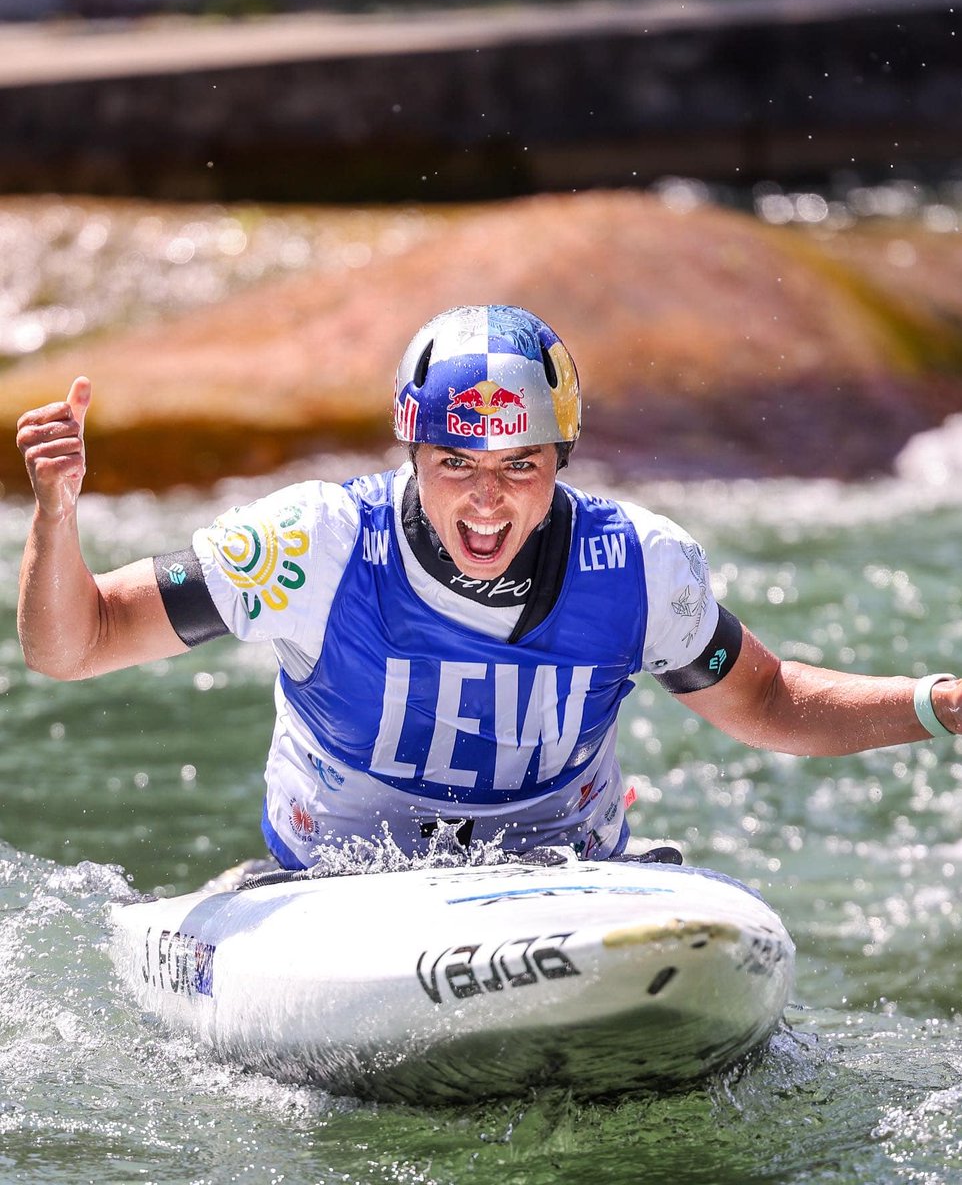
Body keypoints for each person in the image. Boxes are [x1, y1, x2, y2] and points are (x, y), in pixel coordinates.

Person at [15, 303, 962, 871]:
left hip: (565, 882)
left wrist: (939, 704)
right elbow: (76, 643)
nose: (486, 499)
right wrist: (57, 517)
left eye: (521, 465)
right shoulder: (313, 542)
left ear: (562, 461)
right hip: (339, 891)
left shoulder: (638, 564)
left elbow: (771, 700)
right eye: (455, 461)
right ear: (413, 452)